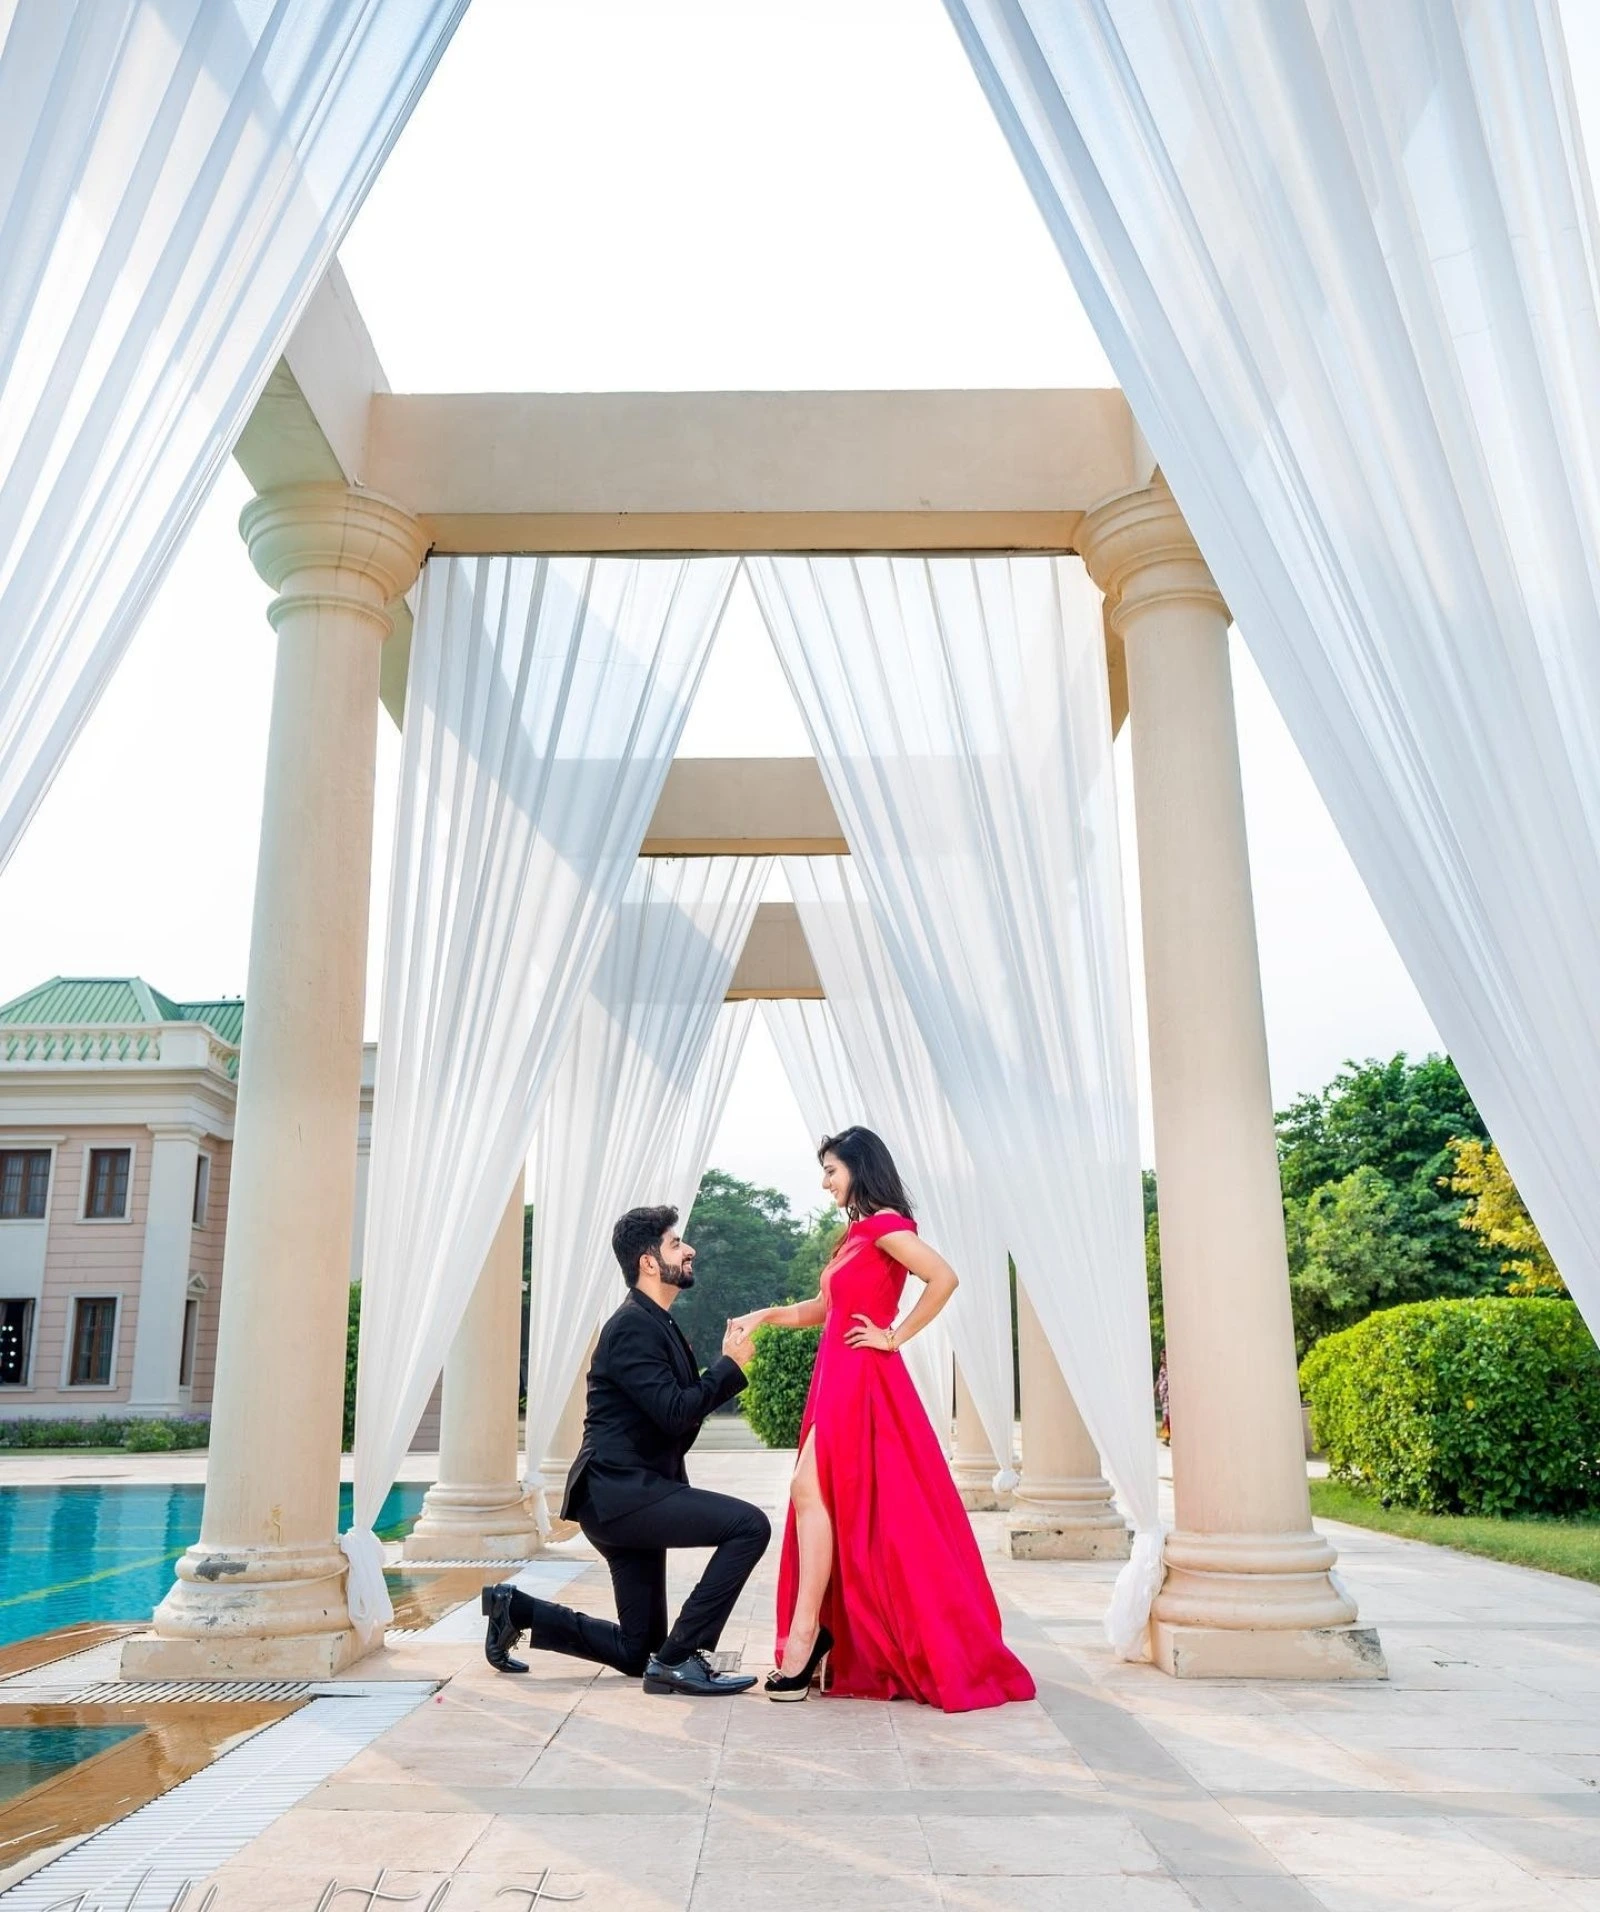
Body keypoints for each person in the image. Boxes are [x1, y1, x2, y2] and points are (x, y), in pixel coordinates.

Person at [729, 1127, 1035, 1711]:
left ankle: (806, 1637)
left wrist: (893, 1336)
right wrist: (765, 1312)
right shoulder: (853, 1236)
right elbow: (823, 1309)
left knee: (814, 1492)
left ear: (858, 1168)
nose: (825, 1182)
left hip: (863, 1377)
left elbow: (943, 1277)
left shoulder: (886, 1225)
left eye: (831, 1170)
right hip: (835, 1375)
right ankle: (813, 1632)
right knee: (820, 1496)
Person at [481, 1204, 768, 1697]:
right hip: (620, 1494)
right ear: (649, 1262)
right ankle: (681, 1657)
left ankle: (517, 1609)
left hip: (631, 1493)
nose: (689, 1249)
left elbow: (675, 1416)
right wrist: (728, 1367)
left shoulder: (658, 1323)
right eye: (676, 1243)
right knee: (749, 1526)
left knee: (639, 1653)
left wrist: (722, 1369)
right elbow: (677, 1413)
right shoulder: (633, 1325)